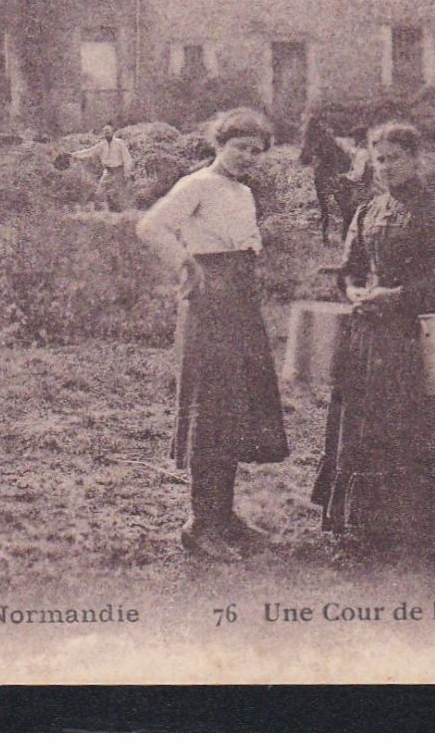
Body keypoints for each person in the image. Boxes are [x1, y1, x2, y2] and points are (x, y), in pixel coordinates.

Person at [312, 121, 435, 549]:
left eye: (394, 159)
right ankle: (366, 522)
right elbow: (350, 267)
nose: (386, 168)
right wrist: (353, 289)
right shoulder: (366, 211)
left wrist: (399, 296)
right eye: (379, 159)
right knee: (365, 425)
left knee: (418, 427)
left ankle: (420, 525)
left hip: (414, 338)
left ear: (415, 159)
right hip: (369, 336)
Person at [135, 108, 287, 559]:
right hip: (209, 305)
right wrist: (185, 264)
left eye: (257, 151)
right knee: (213, 409)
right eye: (240, 147)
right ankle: (201, 524)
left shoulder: (243, 192)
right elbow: (151, 226)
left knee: (236, 410)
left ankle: (224, 516)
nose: (248, 157)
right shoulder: (196, 184)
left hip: (240, 303)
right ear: (220, 145)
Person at [299, 112, 356, 245]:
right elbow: (336, 158)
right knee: (343, 206)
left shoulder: (310, 139)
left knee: (325, 208)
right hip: (331, 174)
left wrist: (315, 160)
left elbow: (304, 159)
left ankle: (327, 238)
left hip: (321, 174)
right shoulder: (326, 138)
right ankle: (343, 236)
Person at [71, 123, 135, 212]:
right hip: (108, 171)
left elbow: (127, 158)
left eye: (108, 132)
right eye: (105, 132)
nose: (107, 134)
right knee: (100, 191)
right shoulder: (102, 145)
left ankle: (125, 213)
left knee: (120, 193)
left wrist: (127, 172)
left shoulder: (119, 143)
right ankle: (104, 212)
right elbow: (90, 151)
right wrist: (74, 154)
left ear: (112, 132)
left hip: (118, 170)